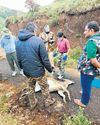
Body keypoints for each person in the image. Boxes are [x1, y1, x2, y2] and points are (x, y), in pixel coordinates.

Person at [16, 22, 55, 110]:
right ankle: (48, 101)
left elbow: (18, 58)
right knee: (44, 87)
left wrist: (21, 69)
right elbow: (45, 59)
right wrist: (50, 69)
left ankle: (33, 103)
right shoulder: (38, 40)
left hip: (27, 71)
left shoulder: (18, 41)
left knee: (30, 87)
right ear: (34, 30)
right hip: (38, 72)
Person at [74, 21, 100, 108]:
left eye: (86, 30)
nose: (84, 32)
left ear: (91, 30)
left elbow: (93, 60)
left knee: (86, 83)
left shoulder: (92, 41)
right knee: (87, 84)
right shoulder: (98, 39)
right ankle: (85, 91)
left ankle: (83, 102)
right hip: (92, 70)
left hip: (88, 70)